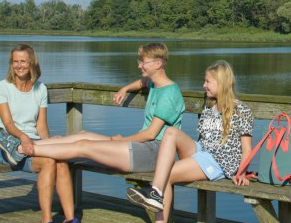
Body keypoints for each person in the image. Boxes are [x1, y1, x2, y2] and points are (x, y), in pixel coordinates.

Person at [125, 60, 254, 223]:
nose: (204, 85)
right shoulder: (209, 108)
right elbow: (202, 143)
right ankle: (155, 193)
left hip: (218, 162)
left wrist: (242, 172)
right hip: (202, 152)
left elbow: (247, 149)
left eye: (208, 81)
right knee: (170, 132)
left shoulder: (241, 111)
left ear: (222, 83)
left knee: (166, 175)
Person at [16, 42, 184, 180]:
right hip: (142, 148)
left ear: (158, 63)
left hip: (154, 154)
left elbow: (150, 134)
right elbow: (142, 83)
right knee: (83, 134)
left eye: (143, 62)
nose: (139, 65)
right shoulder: (155, 83)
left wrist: (122, 140)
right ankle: (24, 145)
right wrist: (124, 89)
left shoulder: (169, 94)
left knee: (84, 146)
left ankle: (24, 151)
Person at [0, 44, 90, 223]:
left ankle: (70, 221)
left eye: (23, 61)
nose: (19, 66)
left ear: (32, 63)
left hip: (35, 144)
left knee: (60, 160)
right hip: (11, 146)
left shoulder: (40, 88)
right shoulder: (1, 87)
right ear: (11, 64)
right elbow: (8, 124)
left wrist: (47, 144)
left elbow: (41, 124)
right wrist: (24, 137)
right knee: (48, 162)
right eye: (15, 61)